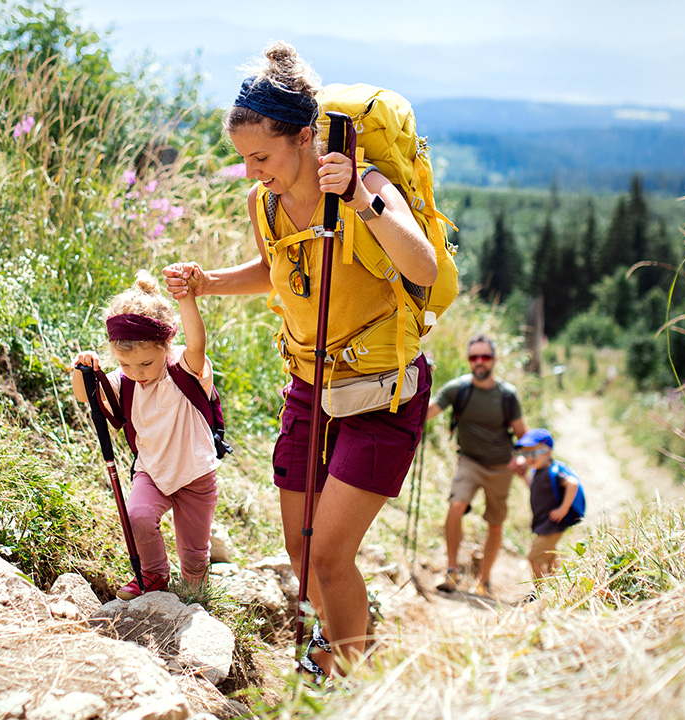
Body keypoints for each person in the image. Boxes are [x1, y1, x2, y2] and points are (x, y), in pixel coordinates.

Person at [162, 41, 437, 679]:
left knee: (332, 555)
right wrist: (208, 282)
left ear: (306, 137)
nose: (253, 171)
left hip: (381, 393)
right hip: (310, 386)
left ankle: (349, 678)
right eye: (245, 160)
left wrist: (364, 202)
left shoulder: (365, 185)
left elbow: (421, 264)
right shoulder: (265, 201)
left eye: (262, 156)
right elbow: (275, 269)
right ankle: (345, 643)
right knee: (302, 552)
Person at [72, 269, 219, 600]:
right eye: (126, 365)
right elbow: (85, 395)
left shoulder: (184, 369)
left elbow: (197, 342)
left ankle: (196, 592)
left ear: (166, 347)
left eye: (146, 364)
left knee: (194, 552)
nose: (137, 373)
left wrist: (186, 298)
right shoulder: (124, 382)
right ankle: (154, 575)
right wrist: (81, 369)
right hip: (151, 470)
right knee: (138, 515)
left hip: (195, 474)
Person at [426, 333, 529, 597]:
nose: (480, 362)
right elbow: (427, 412)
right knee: (455, 505)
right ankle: (451, 571)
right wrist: (420, 381)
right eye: (474, 357)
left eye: (485, 356)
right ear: (469, 360)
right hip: (469, 462)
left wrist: (523, 458)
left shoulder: (507, 395)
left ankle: (484, 580)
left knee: (495, 524)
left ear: (494, 359)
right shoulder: (457, 389)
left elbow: (523, 436)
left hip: (501, 467)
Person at [515, 427, 579, 583]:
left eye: (535, 453)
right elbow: (536, 490)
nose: (530, 458)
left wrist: (563, 509)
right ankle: (557, 586)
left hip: (552, 524)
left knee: (534, 558)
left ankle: (540, 591)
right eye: (526, 454)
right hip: (545, 523)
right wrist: (524, 476)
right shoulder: (538, 472)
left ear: (548, 452)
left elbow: (572, 484)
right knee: (550, 556)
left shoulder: (553, 472)